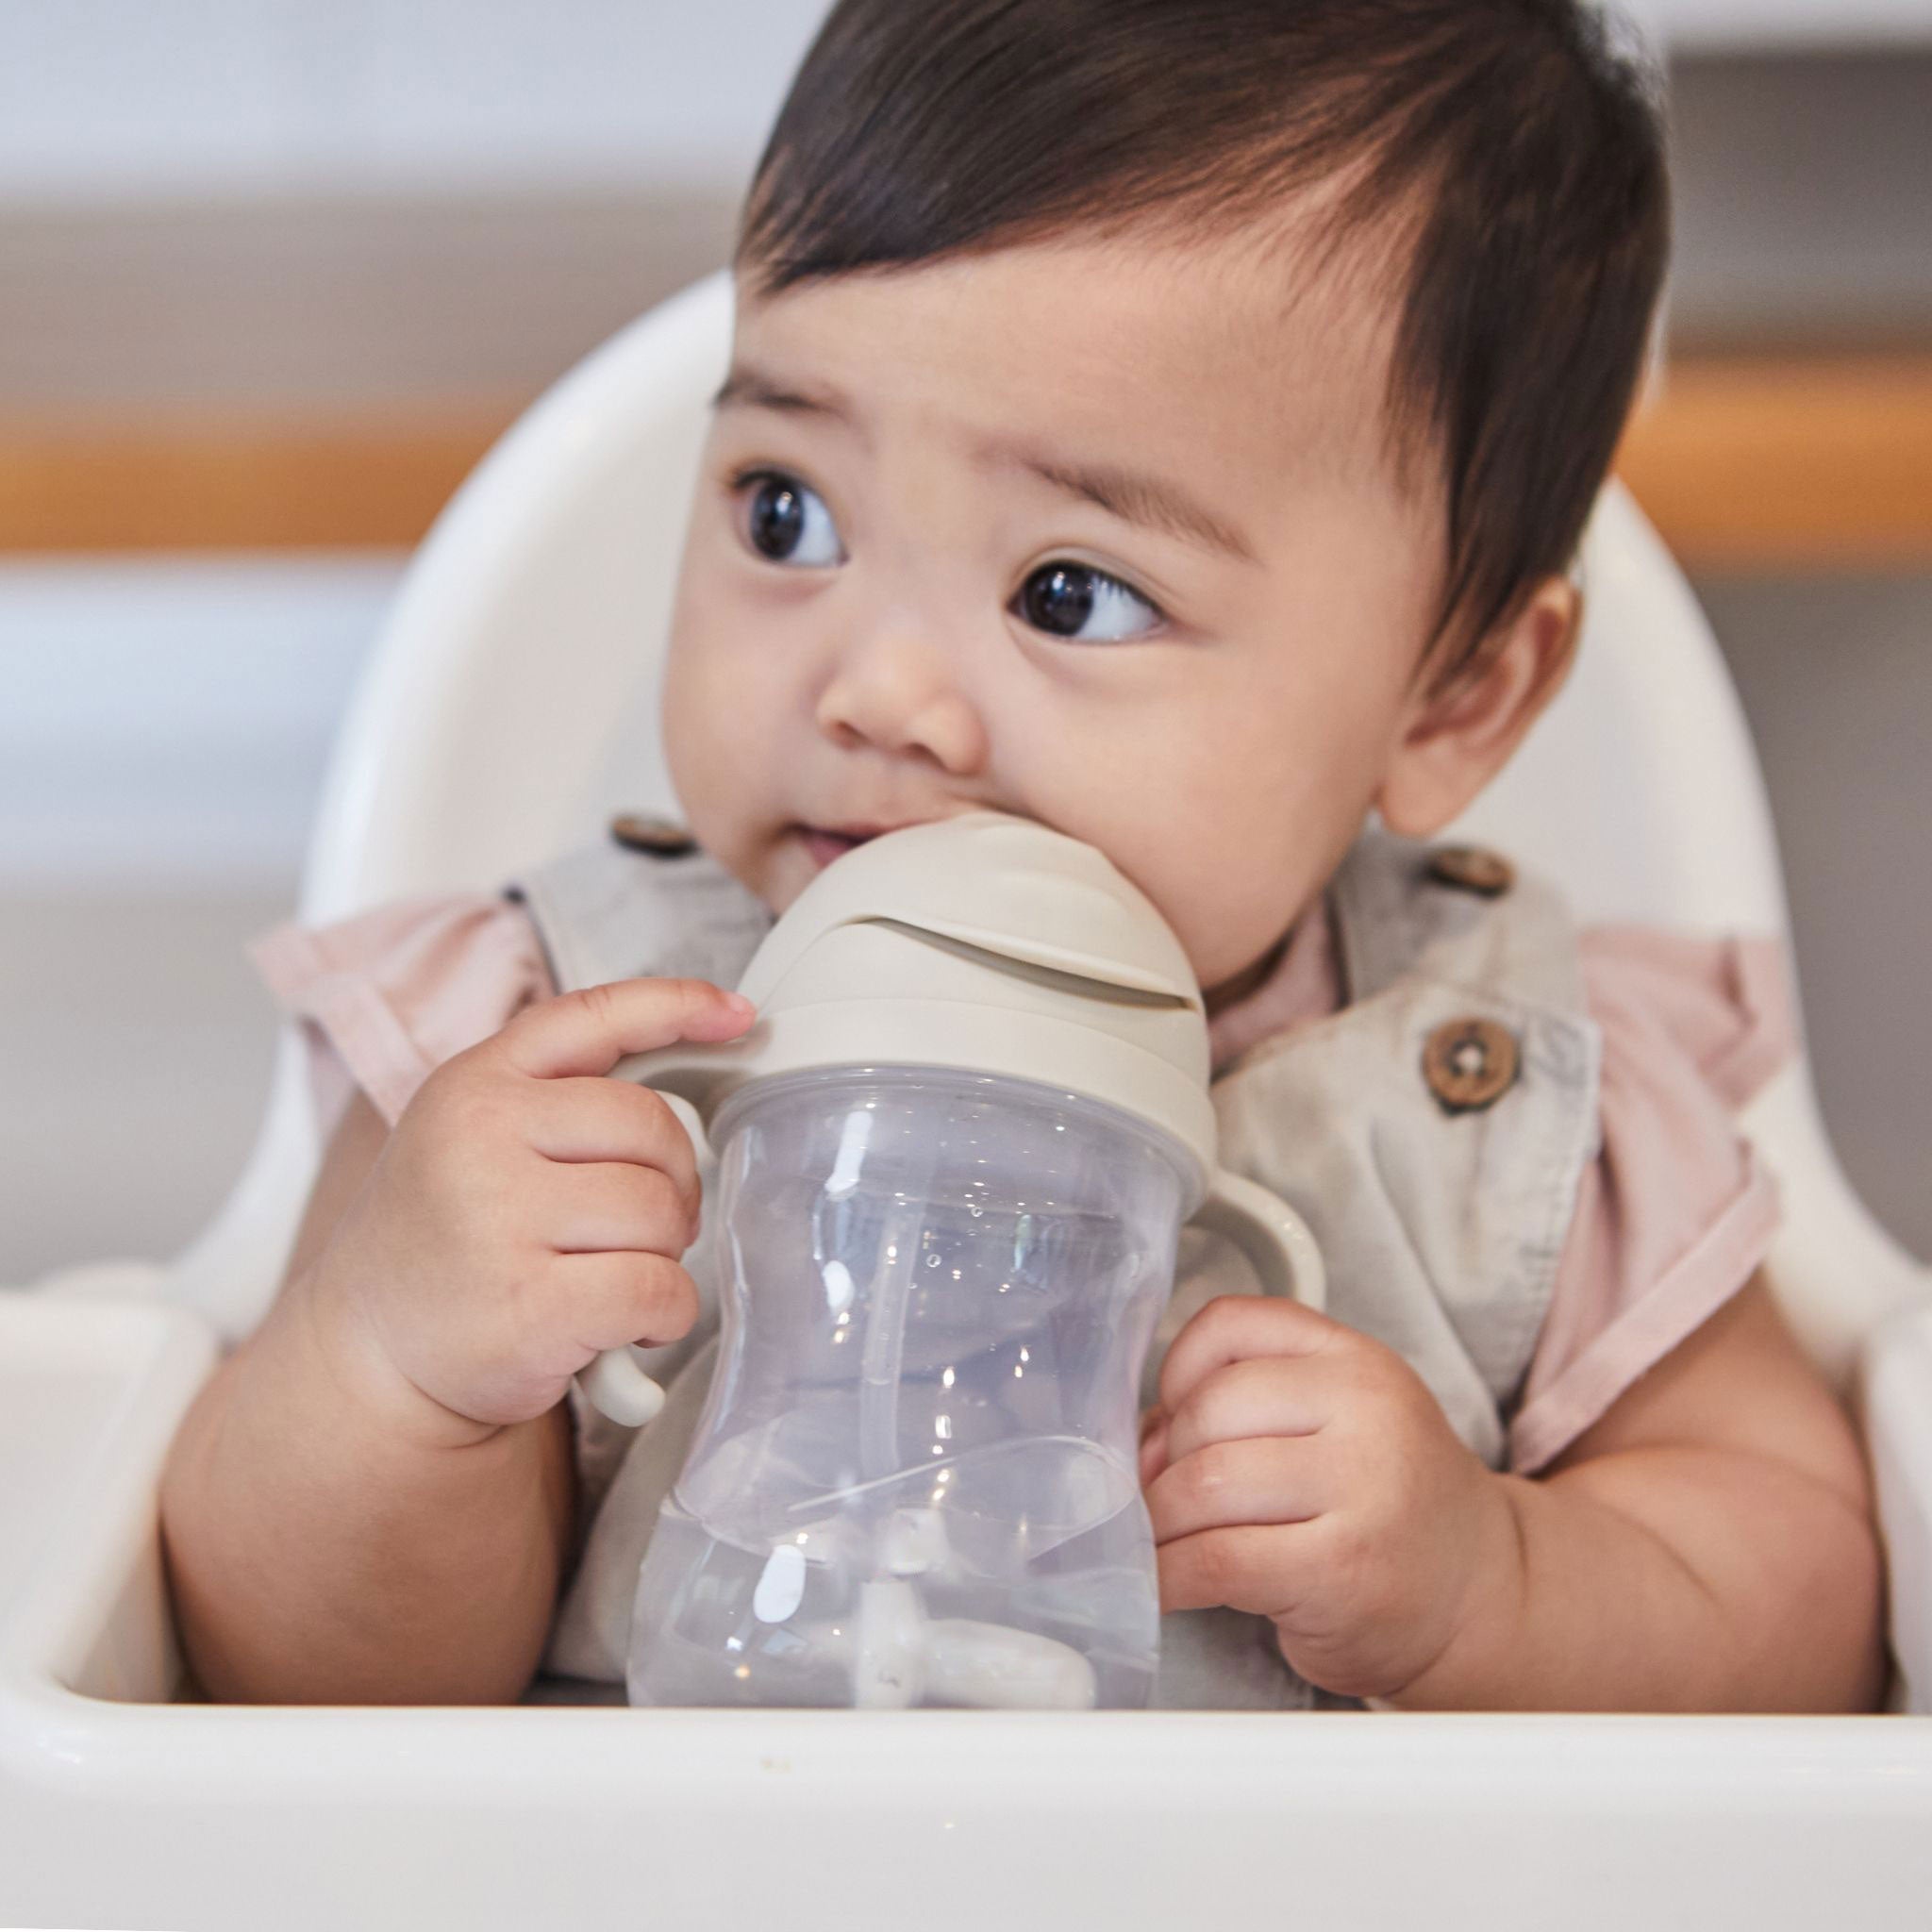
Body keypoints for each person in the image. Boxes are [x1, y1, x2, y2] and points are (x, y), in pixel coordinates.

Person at [158, 0, 1885, 1713]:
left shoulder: (1509, 1109)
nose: (880, 690)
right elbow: (270, 1677)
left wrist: (1492, 1583)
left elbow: (1802, 1609)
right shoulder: (539, 1036)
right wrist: (400, 1375)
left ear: (1453, 693)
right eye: (789, 512)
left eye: (1074, 591)